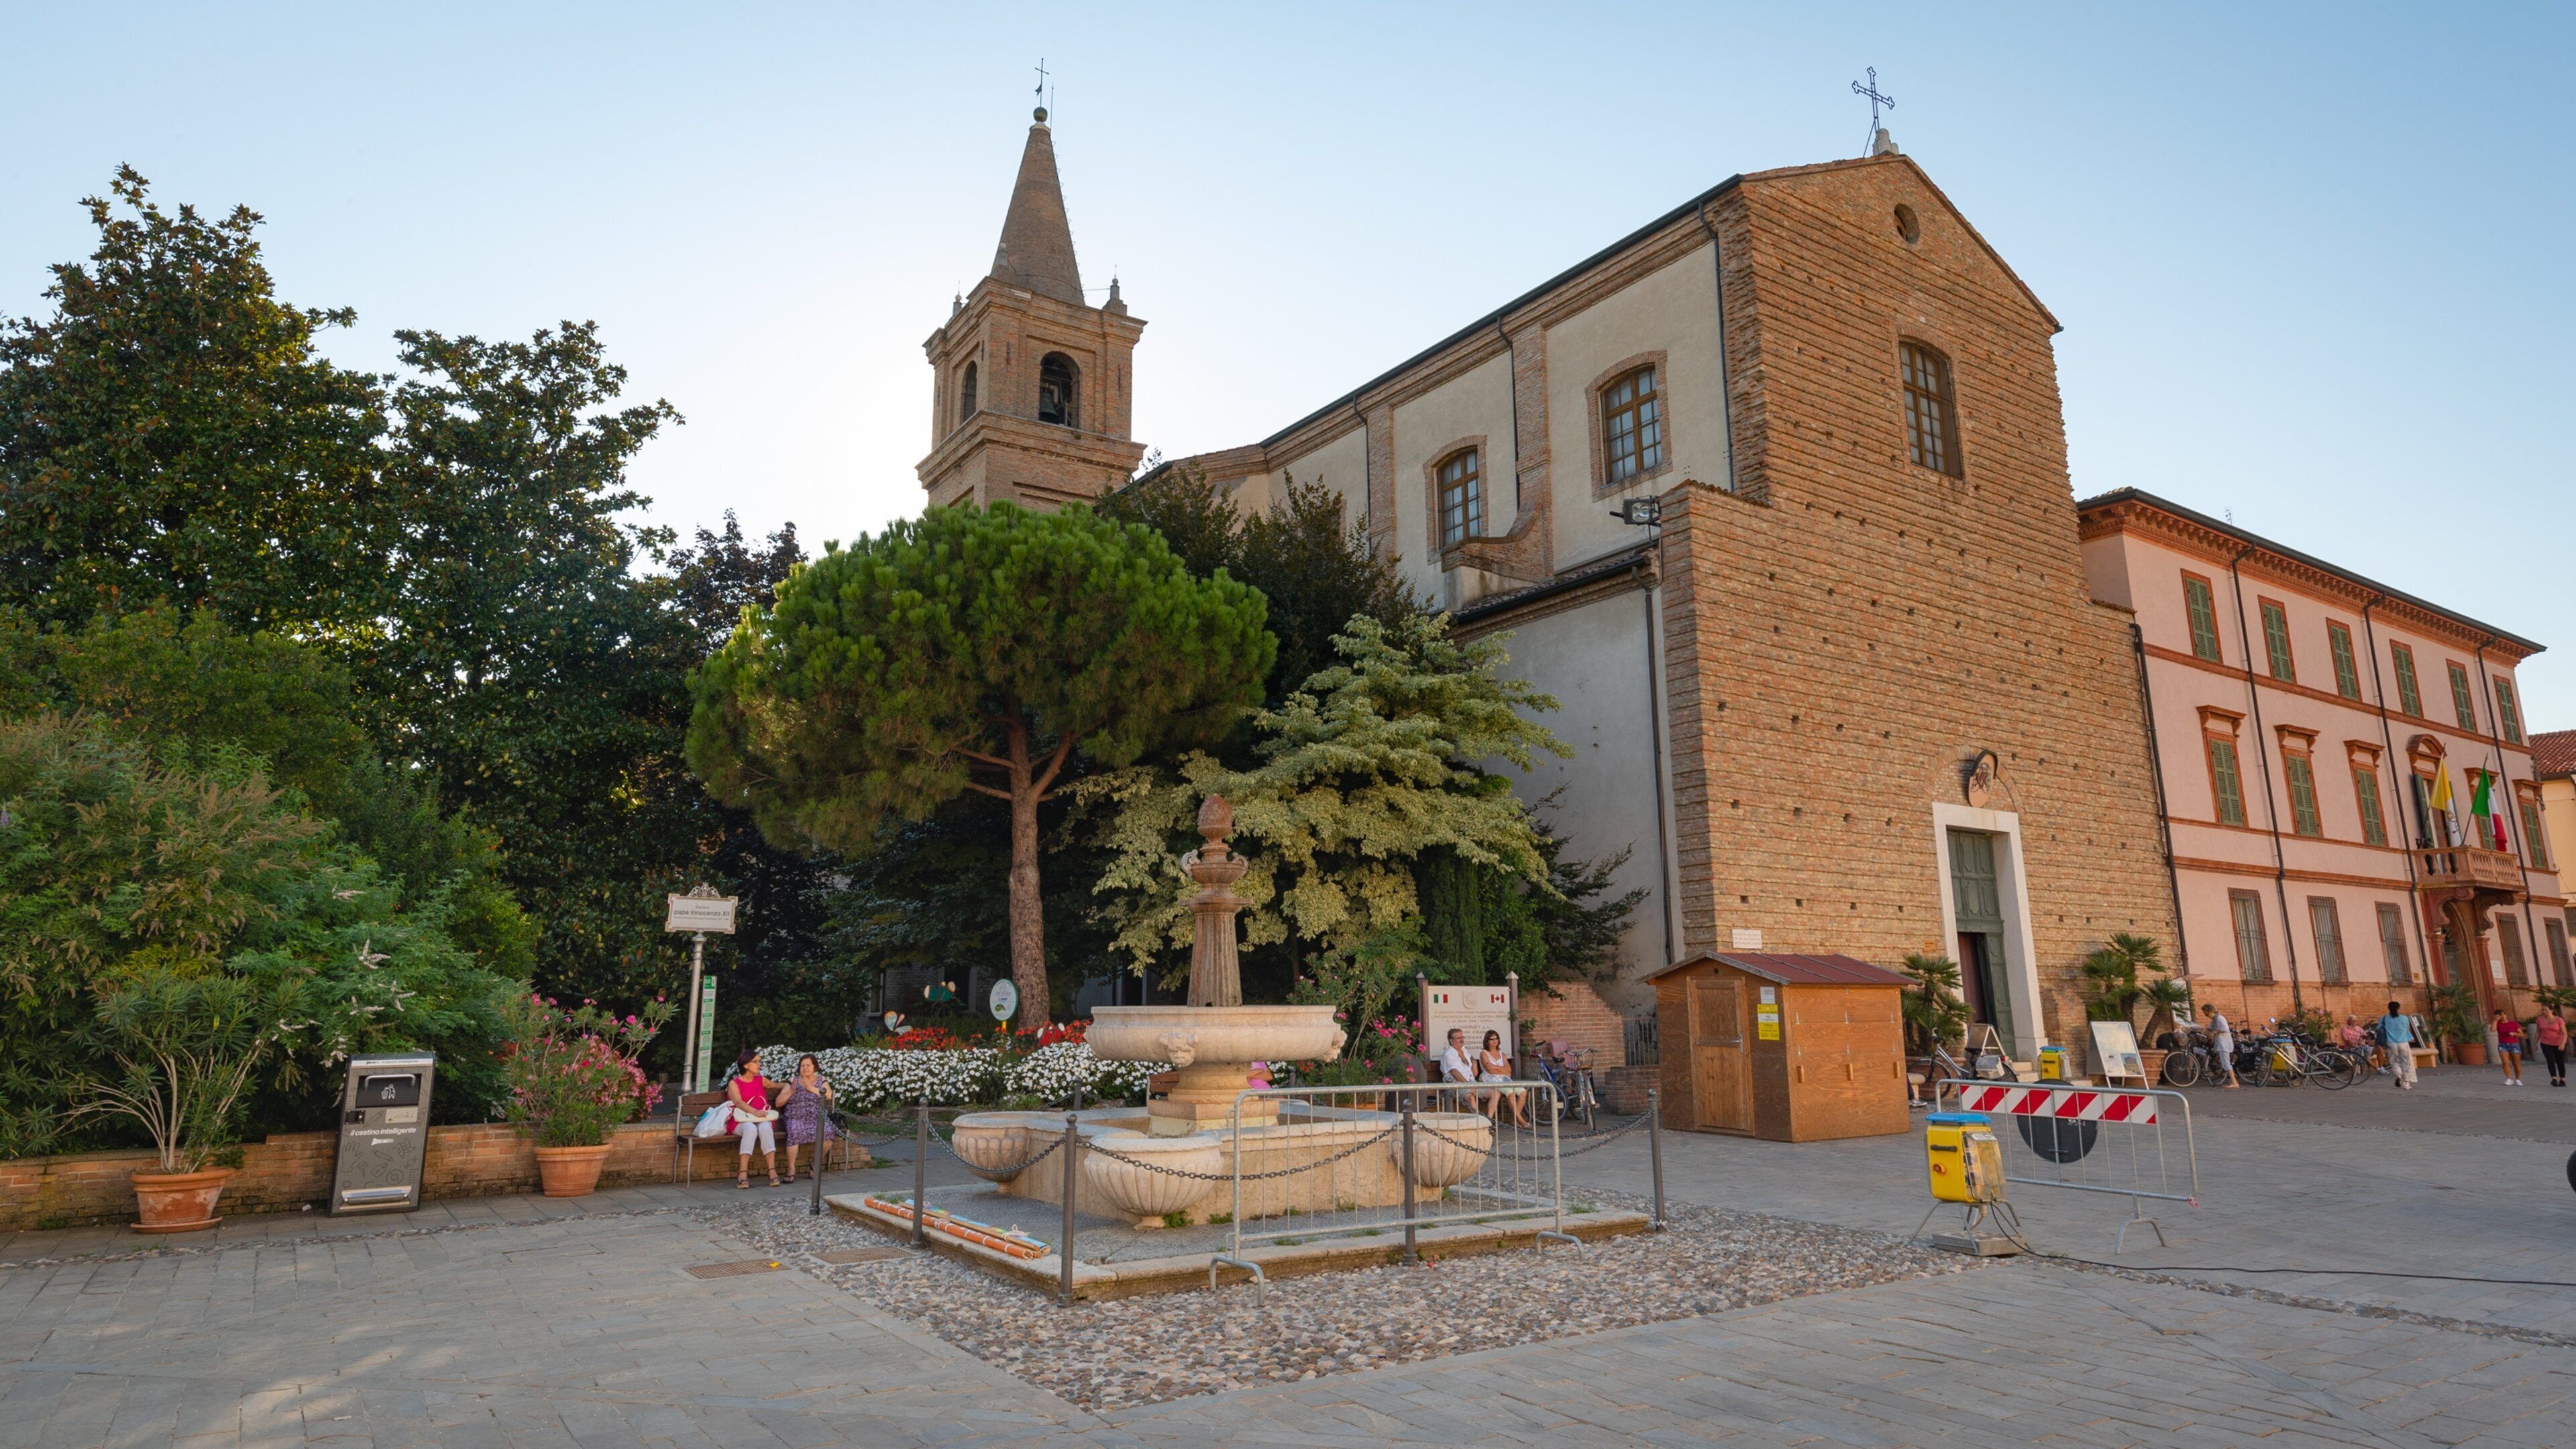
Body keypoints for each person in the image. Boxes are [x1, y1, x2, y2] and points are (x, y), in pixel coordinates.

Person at [775, 1053, 840, 1181]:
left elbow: (828, 1095)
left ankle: (815, 1164)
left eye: (808, 1065)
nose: (805, 1068)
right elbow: (778, 1102)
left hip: (816, 1117)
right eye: (802, 1065)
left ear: (815, 1067)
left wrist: (810, 1088)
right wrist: (790, 1092)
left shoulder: (822, 1079)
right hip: (795, 1116)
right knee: (794, 1131)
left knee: (828, 1132)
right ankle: (791, 1169)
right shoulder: (793, 1080)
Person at [726, 1048, 780, 1187]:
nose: (759, 1064)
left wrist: (793, 1085)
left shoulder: (760, 1080)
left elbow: (777, 1086)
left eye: (759, 1061)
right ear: (745, 1065)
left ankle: (772, 1171)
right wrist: (755, 1112)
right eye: (755, 1062)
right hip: (741, 1120)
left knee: (766, 1127)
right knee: (750, 1129)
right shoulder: (734, 1083)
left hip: (761, 1118)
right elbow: (738, 1102)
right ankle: (743, 1172)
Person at [1474, 1029, 1529, 1128]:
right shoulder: (1484, 1053)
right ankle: (1521, 1120)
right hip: (1491, 1080)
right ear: (1487, 1041)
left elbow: (1509, 1070)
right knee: (1510, 1093)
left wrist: (1495, 1067)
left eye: (1496, 1038)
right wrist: (1502, 1069)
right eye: (1491, 1039)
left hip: (1505, 1079)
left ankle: (1514, 1120)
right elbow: (1490, 1071)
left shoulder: (1501, 1054)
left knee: (1523, 1092)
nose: (1494, 1041)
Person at [2378, 1000, 2418, 1090]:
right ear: (2399, 1008)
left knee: (2394, 1060)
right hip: (2403, 1042)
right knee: (2407, 1062)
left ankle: (2398, 1075)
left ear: (2388, 1008)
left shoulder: (2384, 1018)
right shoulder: (2404, 1018)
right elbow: (2406, 1028)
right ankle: (2407, 1083)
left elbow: (2378, 1028)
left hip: (2391, 1043)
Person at [2199, 1003, 2239, 1088]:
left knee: (2226, 1064)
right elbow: (2210, 1028)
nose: (2205, 1015)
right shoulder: (2215, 1020)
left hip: (2224, 1043)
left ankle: (2235, 1083)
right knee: (2226, 1063)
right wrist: (2206, 1030)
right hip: (2221, 1043)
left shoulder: (2220, 1019)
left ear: (2209, 1011)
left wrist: (2214, 1033)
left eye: (2205, 1012)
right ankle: (2232, 1081)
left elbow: (2224, 1029)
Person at [1438, 1027, 1473, 1110]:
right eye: (1458, 1038)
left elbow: (1472, 1067)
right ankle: (1480, 1120)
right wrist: (1469, 1086)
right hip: (1458, 1085)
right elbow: (1455, 1073)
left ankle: (1489, 1121)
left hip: (1471, 1082)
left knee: (1494, 1093)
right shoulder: (1449, 1054)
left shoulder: (1465, 1051)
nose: (1461, 1040)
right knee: (1470, 1097)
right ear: (1451, 1041)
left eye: (1462, 1037)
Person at [2534, 1008, 2569, 1087]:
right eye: (2542, 1010)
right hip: (2545, 1043)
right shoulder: (2539, 1020)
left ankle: (2562, 1079)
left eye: (2546, 1010)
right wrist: (2535, 1044)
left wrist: (2562, 1044)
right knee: (2550, 1060)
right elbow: (2538, 1032)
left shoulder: (2559, 1020)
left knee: (2560, 1061)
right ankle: (2554, 1078)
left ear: (2551, 1010)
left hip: (2558, 1043)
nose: (2543, 1012)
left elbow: (2565, 1033)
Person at [2493, 1011, 2524, 1086]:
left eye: (2504, 1014)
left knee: (2516, 1063)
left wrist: (2514, 1034)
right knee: (2505, 1061)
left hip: (2514, 1045)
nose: (2503, 1016)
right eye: (2501, 1015)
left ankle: (2518, 1079)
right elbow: (2492, 1030)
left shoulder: (2513, 1023)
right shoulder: (2498, 1023)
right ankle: (2509, 1079)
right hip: (2503, 1045)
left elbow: (2522, 1035)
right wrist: (2495, 1020)